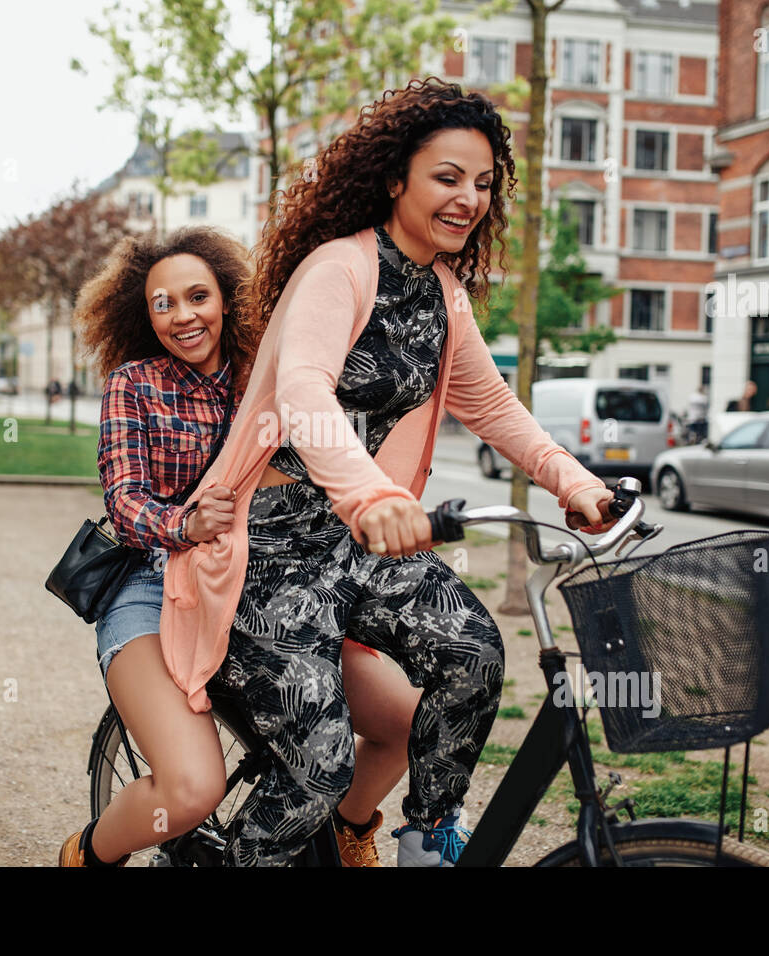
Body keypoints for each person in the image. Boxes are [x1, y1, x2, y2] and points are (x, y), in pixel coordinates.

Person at [159, 77, 619, 867]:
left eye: (483, 183)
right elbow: (303, 389)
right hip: (266, 552)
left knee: (473, 653)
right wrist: (369, 492)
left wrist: (574, 483)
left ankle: (422, 836)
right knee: (320, 760)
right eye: (447, 177)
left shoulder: (445, 294)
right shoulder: (337, 270)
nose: (469, 199)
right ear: (394, 179)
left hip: (357, 542)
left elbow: (495, 406)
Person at [58, 226, 421, 868]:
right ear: (144, 316)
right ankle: (86, 856)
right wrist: (184, 526)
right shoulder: (134, 384)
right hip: (150, 586)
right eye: (162, 304)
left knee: (409, 724)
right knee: (193, 788)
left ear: (226, 297)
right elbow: (126, 501)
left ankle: (345, 828)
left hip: (263, 584)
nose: (182, 315)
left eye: (197, 296)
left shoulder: (269, 373)